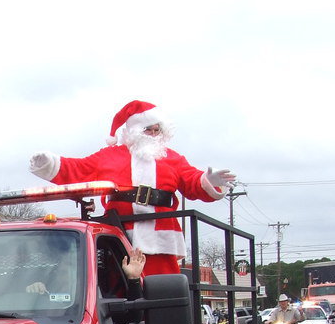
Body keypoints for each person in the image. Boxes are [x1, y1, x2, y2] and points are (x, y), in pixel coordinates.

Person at [29, 100, 234, 275]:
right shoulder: (110, 156)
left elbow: (192, 182)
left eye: (157, 130)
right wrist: (49, 163)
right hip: (120, 231)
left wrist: (209, 180)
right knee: (119, 282)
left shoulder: (172, 158)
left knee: (163, 286)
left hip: (161, 234)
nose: (153, 135)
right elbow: (79, 169)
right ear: (134, 131)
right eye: (148, 130)